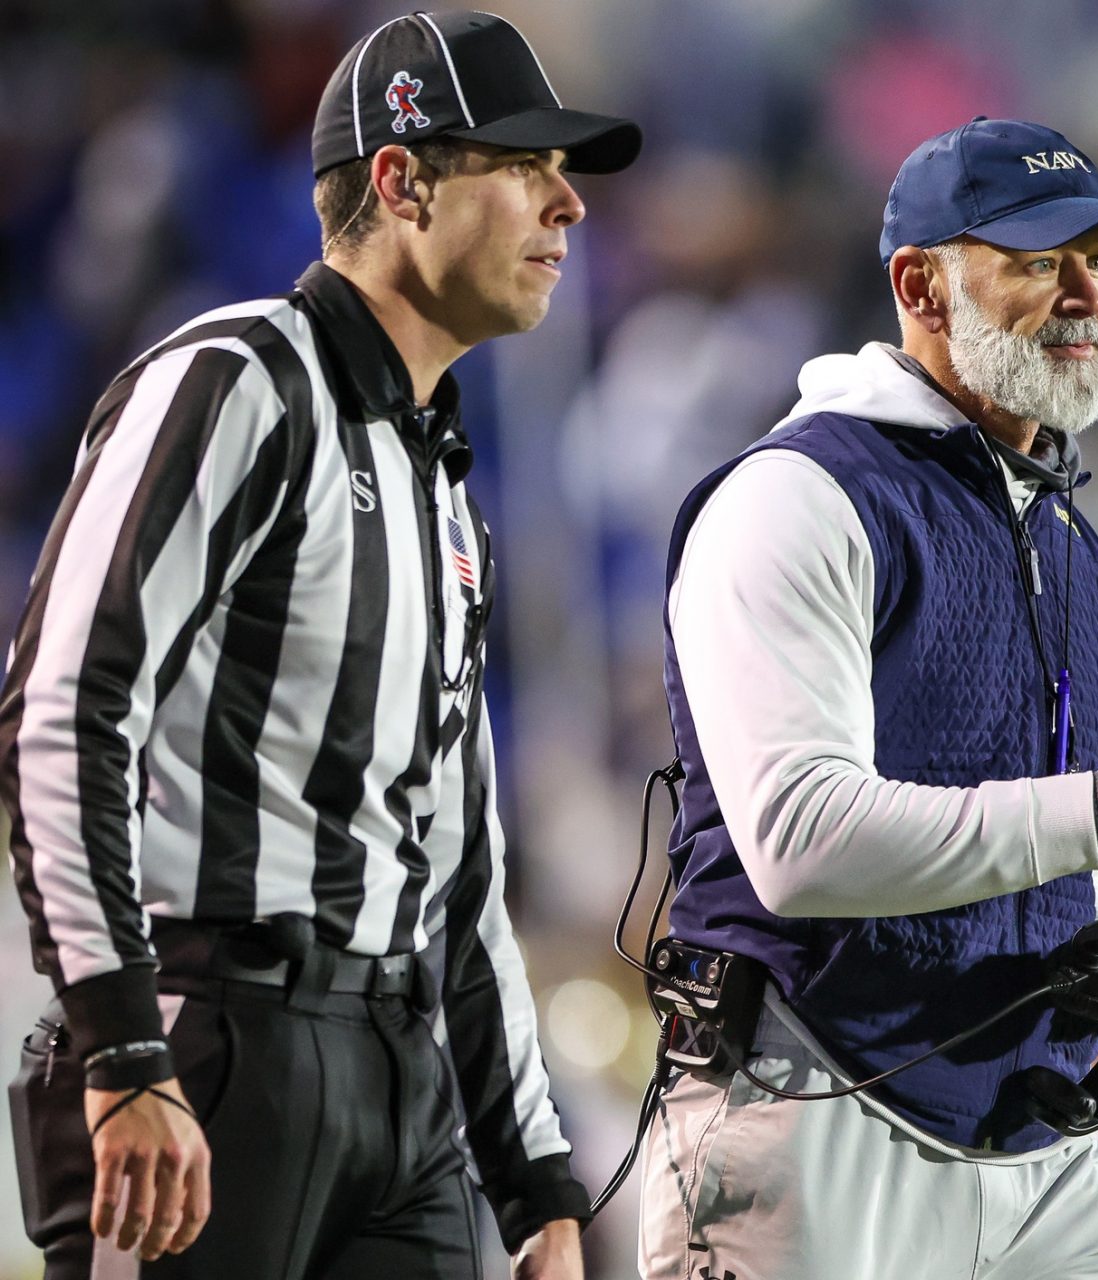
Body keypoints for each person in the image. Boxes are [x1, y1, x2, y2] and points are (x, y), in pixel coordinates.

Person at [0, 12, 639, 1278]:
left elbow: (459, 872)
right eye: (522, 164)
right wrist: (125, 1047)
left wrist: (538, 1182)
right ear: (401, 181)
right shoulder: (231, 379)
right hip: (211, 1034)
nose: (567, 204)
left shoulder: (447, 496)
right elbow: (64, 704)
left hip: (399, 1078)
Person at [642, 117, 1098, 1280]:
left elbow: (1038, 869)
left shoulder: (1092, 567)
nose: (1083, 294)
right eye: (1035, 258)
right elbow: (801, 844)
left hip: (1033, 1142)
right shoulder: (797, 496)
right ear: (917, 280)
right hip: (814, 1105)